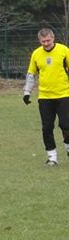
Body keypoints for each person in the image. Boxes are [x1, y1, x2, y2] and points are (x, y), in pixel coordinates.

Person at [23, 27, 69, 166]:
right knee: (47, 127)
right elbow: (31, 74)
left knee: (65, 124)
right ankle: (52, 157)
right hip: (44, 96)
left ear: (53, 38)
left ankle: (68, 146)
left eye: (48, 40)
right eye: (43, 41)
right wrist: (27, 92)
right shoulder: (36, 54)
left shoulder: (64, 51)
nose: (46, 43)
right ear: (39, 40)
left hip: (64, 94)